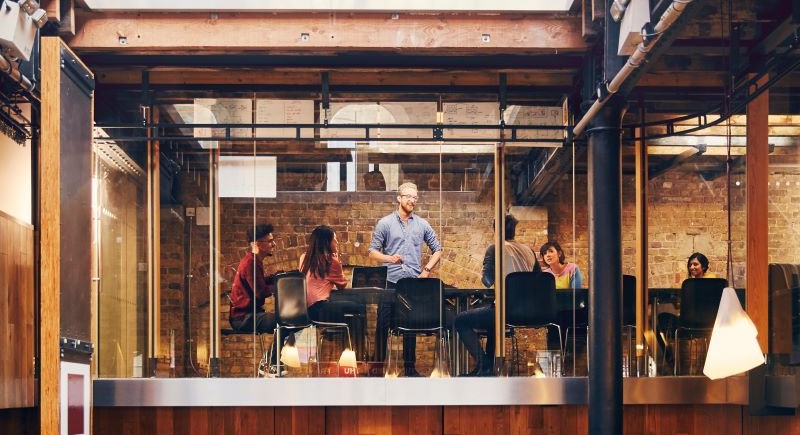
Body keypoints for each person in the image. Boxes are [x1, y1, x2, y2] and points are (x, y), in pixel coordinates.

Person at [369, 182, 443, 376]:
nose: (412, 200)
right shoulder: (385, 223)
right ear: (399, 198)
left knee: (410, 326)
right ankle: (377, 368)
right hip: (390, 282)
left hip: (412, 283)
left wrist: (426, 270)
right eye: (408, 196)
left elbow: (438, 250)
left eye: (415, 197)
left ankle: (410, 368)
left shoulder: (422, 224)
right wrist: (389, 258)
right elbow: (372, 252)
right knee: (382, 325)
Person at [454, 214, 540, 376]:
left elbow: (487, 280)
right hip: (528, 311)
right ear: (514, 231)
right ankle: (486, 369)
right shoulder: (529, 251)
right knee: (492, 322)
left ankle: (485, 364)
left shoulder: (495, 248)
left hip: (505, 310)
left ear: (496, 230)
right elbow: (538, 280)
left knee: (460, 320)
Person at [298, 225, 365, 324]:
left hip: (304, 310)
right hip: (319, 309)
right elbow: (342, 285)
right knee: (360, 306)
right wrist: (337, 260)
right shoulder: (330, 261)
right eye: (334, 239)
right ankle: (353, 339)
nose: (337, 242)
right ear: (327, 243)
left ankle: (334, 336)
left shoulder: (304, 258)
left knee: (349, 305)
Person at [229, 223, 278, 334]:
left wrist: (273, 278)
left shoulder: (254, 261)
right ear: (258, 244)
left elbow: (258, 283)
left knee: (285, 321)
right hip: (243, 318)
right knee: (285, 321)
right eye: (270, 241)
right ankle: (274, 352)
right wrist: (280, 285)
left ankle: (274, 351)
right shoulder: (251, 262)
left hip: (248, 316)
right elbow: (261, 292)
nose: (274, 244)